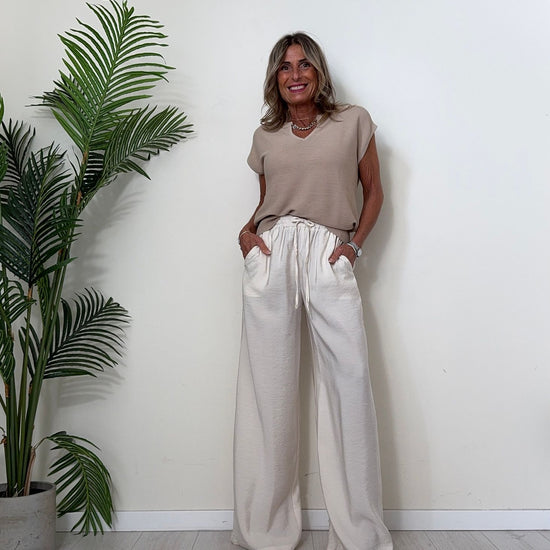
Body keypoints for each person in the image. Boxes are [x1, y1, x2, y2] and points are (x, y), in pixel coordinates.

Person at [232, 32, 393, 550]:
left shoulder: (353, 121)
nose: (295, 74)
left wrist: (354, 248)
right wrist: (247, 236)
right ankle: (265, 528)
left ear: (319, 71)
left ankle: (358, 531)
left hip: (329, 251)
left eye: (304, 64)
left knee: (349, 382)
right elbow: (268, 203)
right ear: (275, 78)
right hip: (274, 252)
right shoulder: (265, 137)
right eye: (284, 66)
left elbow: (375, 191)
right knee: (268, 389)